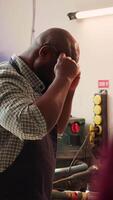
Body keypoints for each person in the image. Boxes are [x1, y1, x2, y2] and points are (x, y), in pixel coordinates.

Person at [0, 27, 80, 200]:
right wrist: (63, 78)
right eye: (61, 64)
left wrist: (69, 88)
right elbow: (32, 126)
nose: (61, 71)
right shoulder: (5, 79)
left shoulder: (38, 84)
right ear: (44, 53)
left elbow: (55, 127)